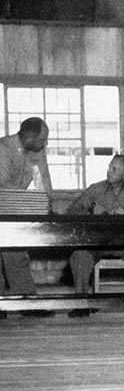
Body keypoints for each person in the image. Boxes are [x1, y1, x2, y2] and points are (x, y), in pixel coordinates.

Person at [65, 155, 124, 317]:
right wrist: (90, 212)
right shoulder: (95, 189)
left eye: (114, 169)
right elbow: (72, 211)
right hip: (97, 244)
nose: (109, 171)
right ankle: (81, 302)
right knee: (79, 255)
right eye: (109, 167)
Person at [0, 117, 54, 318]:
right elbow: (2, 186)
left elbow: (43, 180)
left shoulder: (36, 151)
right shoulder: (3, 148)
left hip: (12, 209)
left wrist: (49, 206)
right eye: (43, 139)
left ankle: (26, 301)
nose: (45, 144)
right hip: (3, 204)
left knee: (17, 253)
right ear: (29, 136)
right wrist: (31, 201)